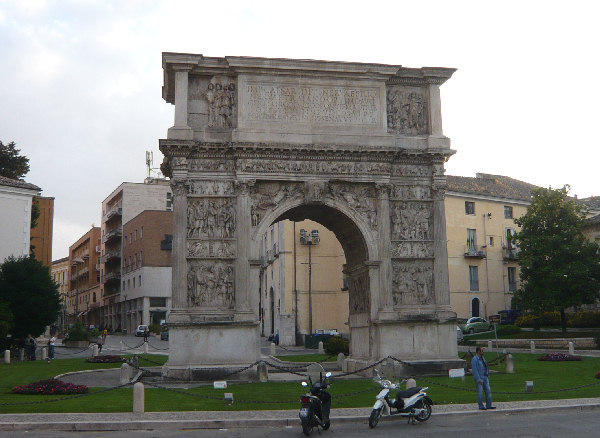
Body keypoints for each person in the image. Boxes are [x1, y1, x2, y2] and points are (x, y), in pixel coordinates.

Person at [471, 346, 495, 410]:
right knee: (480, 392)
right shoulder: (475, 359)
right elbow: (475, 370)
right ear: (478, 351)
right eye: (482, 350)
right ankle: (481, 406)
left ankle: (489, 405)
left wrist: (487, 375)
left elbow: (486, 366)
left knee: (488, 391)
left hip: (485, 377)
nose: (483, 352)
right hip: (480, 378)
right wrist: (478, 379)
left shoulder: (483, 358)